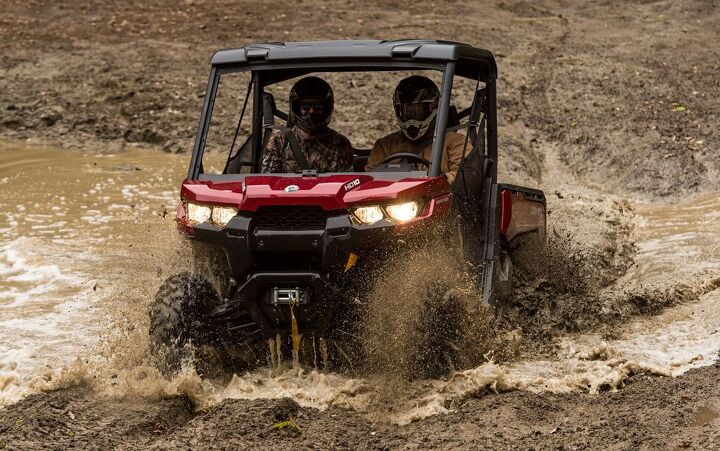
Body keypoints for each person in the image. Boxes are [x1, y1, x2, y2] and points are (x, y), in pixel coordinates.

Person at [364, 75, 469, 184]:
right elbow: (368, 180)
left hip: (436, 198)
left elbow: (465, 177)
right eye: (406, 112)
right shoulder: (385, 145)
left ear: (433, 107)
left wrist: (436, 181)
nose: (411, 119)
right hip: (390, 199)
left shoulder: (456, 142)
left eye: (416, 111)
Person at [261, 76, 354, 173]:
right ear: (297, 108)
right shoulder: (280, 141)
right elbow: (268, 180)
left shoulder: (340, 144)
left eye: (318, 107)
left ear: (326, 109)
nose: (311, 111)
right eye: (305, 106)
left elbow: (343, 183)